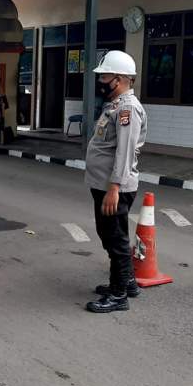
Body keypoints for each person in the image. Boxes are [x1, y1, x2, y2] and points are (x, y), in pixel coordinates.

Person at [84, 50, 147, 313]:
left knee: (115, 239)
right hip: (105, 184)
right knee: (109, 235)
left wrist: (114, 188)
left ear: (118, 79)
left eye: (104, 77)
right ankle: (127, 282)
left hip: (113, 187)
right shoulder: (115, 105)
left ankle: (119, 295)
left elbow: (125, 151)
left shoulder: (127, 109)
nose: (100, 82)